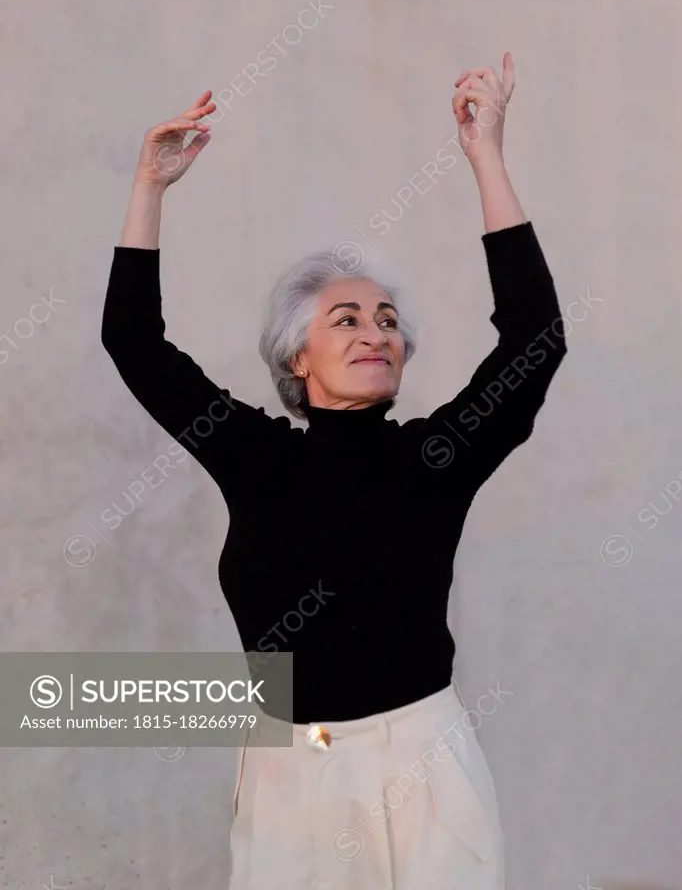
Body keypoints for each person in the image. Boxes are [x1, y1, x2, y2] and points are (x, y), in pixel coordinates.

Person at [101, 52, 567, 889]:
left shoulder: (437, 456)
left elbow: (535, 337)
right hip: (292, 769)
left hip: (425, 761)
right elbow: (134, 345)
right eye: (345, 319)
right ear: (297, 356)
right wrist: (149, 189)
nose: (374, 333)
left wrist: (486, 156)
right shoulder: (253, 453)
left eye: (388, 321)